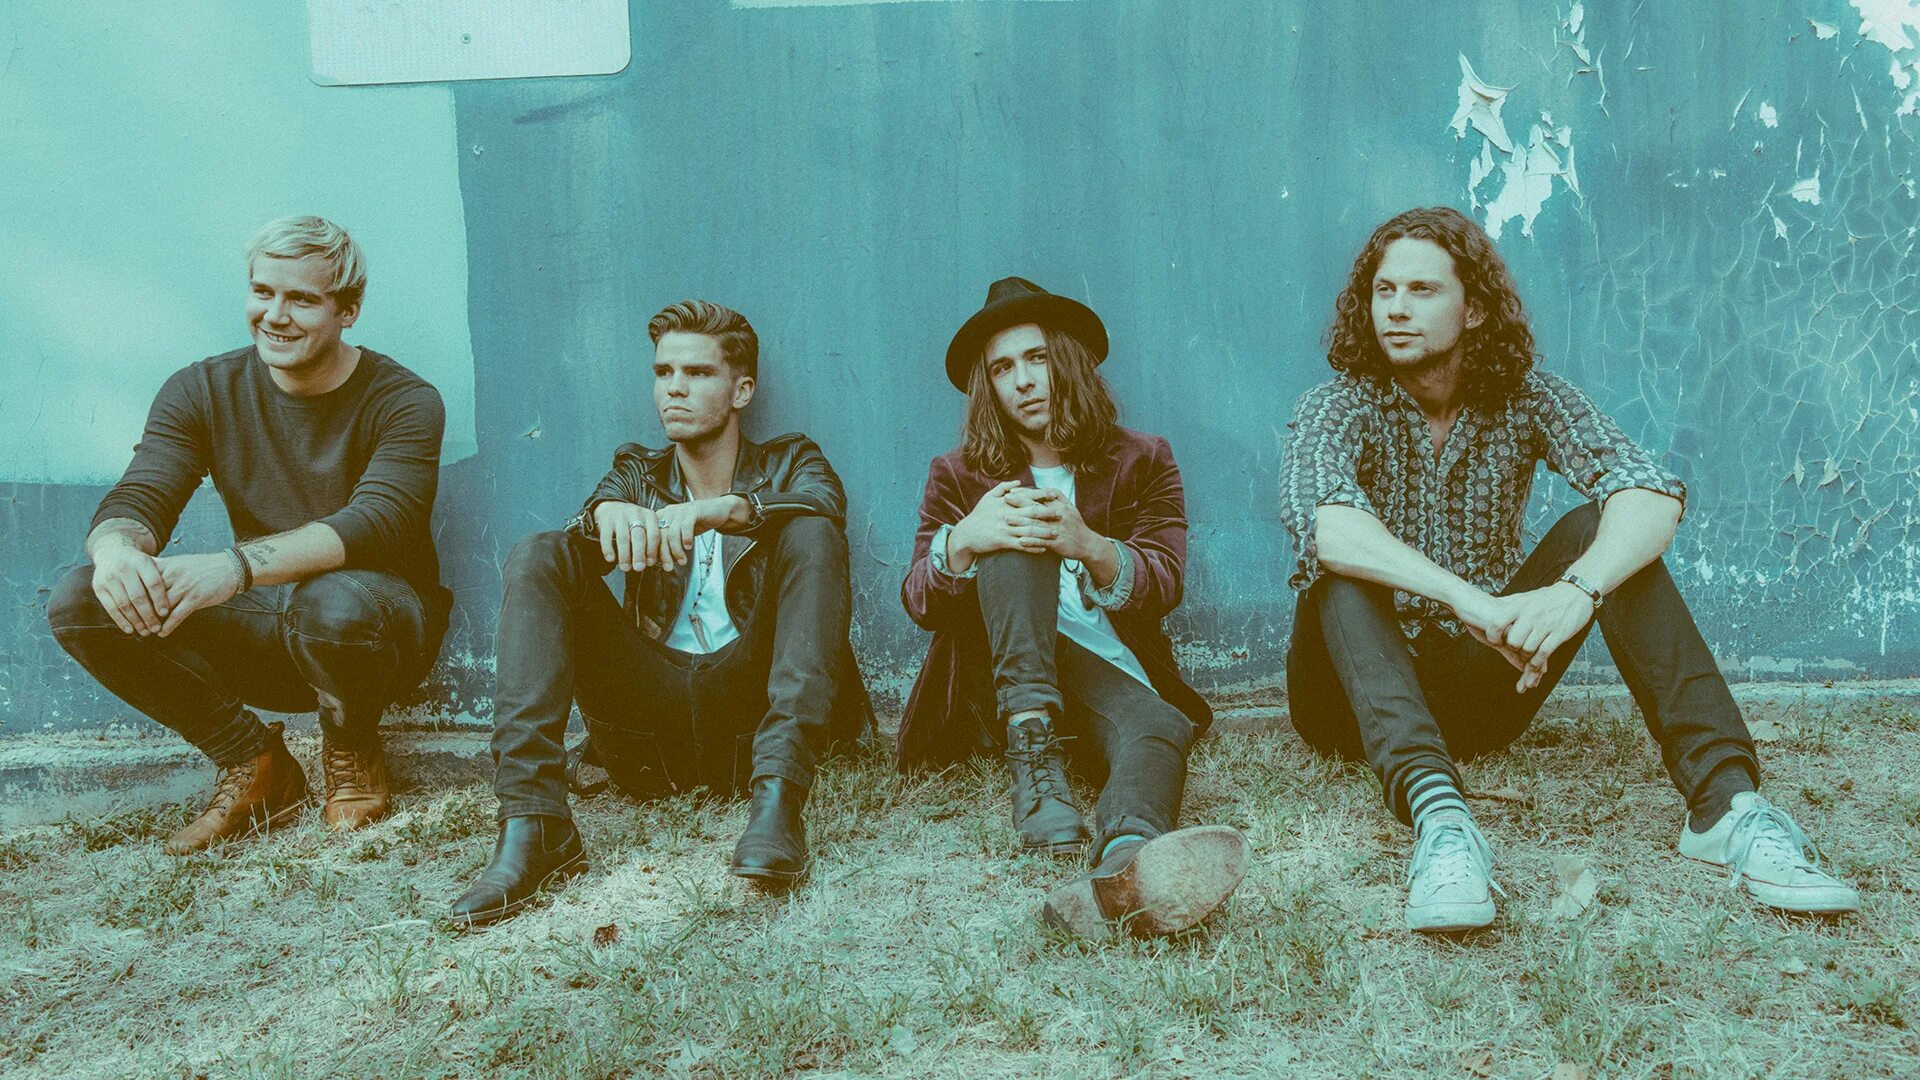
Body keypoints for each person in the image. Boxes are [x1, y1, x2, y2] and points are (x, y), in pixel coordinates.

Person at [1278, 206, 1859, 932]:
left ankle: (1725, 806)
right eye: (1384, 290)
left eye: (1422, 290)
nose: (1396, 309)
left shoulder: (1528, 398)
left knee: (1604, 533)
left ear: (1475, 309)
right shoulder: (1336, 407)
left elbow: (1650, 493)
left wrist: (1578, 590)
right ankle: (1442, 821)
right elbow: (1326, 525)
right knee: (1343, 566)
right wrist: (1468, 600)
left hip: (1480, 692)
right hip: (1347, 701)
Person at [452, 300, 871, 927]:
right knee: (538, 552)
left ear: (741, 390)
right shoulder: (635, 473)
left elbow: (821, 501)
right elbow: (582, 535)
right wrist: (600, 517)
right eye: (663, 372)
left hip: (752, 716)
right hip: (649, 735)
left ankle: (780, 805)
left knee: (813, 532)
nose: (674, 387)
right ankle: (534, 822)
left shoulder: (792, 461)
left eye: (697, 373)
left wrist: (723, 511)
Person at [47, 215, 450, 854]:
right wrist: (117, 550)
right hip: (265, 627)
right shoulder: (201, 388)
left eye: (302, 299)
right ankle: (254, 762)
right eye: (263, 292)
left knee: (333, 601)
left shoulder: (405, 399)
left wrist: (234, 567)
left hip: (373, 631)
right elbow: (142, 492)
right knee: (81, 599)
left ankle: (350, 745)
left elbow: (377, 520)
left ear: (348, 310)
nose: (275, 316)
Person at [898, 277, 1248, 939]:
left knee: (1159, 724)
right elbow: (919, 600)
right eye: (1003, 368)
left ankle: (1126, 865)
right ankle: (1033, 754)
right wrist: (966, 539)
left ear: (1069, 362)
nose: (1024, 381)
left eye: (1037, 358)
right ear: (989, 387)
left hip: (1101, 670)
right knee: (1012, 528)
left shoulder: (1143, 458)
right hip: (999, 681)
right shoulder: (958, 473)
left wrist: (1087, 544)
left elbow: (1165, 581)